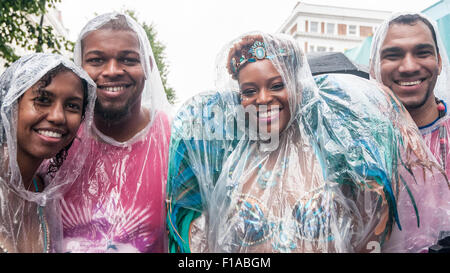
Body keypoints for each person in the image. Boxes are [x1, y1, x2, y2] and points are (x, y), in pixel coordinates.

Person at [166, 32, 440, 253]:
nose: (263, 99)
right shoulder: (227, 160)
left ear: (297, 85)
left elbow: (373, 222)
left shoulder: (334, 150)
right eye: (250, 91)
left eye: (276, 85)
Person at [60, 13, 171, 253]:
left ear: (148, 67)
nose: (112, 71)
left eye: (129, 60)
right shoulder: (57, 134)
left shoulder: (174, 140)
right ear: (79, 67)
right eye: (97, 60)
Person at [370, 12, 450, 252]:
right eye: (393, 55)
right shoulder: (357, 147)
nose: (409, 67)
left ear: (439, 60)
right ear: (375, 64)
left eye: (422, 52)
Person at [0, 53, 96, 253]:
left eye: (72, 106)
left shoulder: (42, 192)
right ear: (11, 104)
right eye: (43, 99)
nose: (58, 117)